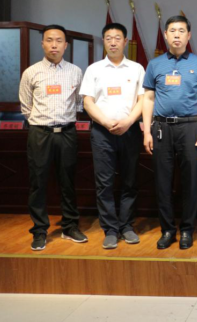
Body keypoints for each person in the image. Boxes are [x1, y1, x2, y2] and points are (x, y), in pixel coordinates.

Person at [142, 15, 197, 250]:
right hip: (161, 128)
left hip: (190, 127)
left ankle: (187, 230)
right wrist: (147, 131)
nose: (177, 35)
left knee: (190, 181)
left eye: (181, 31)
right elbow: (148, 98)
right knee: (162, 181)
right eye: (172, 31)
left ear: (189, 35)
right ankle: (167, 230)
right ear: (165, 35)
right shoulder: (155, 64)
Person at [19, 24, 87, 251]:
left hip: (67, 132)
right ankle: (39, 231)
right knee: (38, 183)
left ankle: (69, 227)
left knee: (68, 181)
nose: (54, 45)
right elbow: (26, 106)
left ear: (66, 45)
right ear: (42, 44)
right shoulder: (31, 72)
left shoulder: (75, 71)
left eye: (59, 40)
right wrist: (42, 122)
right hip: (40, 133)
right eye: (49, 40)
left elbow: (78, 103)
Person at [80, 23, 145, 249]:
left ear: (126, 41)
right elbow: (88, 102)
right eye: (109, 38)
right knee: (104, 183)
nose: (113, 42)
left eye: (118, 38)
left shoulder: (136, 69)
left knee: (129, 181)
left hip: (130, 131)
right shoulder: (94, 69)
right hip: (102, 132)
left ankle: (126, 226)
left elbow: (144, 100)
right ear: (104, 41)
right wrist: (106, 122)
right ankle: (109, 229)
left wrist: (128, 122)